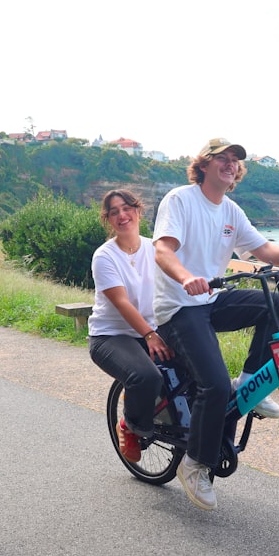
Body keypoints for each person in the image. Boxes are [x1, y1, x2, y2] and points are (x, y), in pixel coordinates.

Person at [153, 137, 279, 511]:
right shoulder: (180, 200)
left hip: (211, 300)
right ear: (204, 164)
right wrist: (185, 277)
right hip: (179, 306)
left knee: (273, 301)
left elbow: (264, 250)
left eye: (235, 161)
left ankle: (250, 384)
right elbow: (163, 249)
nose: (230, 165)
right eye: (223, 159)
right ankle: (194, 463)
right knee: (212, 385)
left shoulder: (231, 210)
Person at [88, 189, 173, 463]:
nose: (122, 215)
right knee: (146, 377)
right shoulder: (105, 256)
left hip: (150, 331)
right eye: (114, 212)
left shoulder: (154, 248)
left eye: (126, 208)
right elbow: (122, 303)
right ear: (109, 220)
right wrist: (149, 334)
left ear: (138, 211)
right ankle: (131, 426)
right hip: (111, 336)